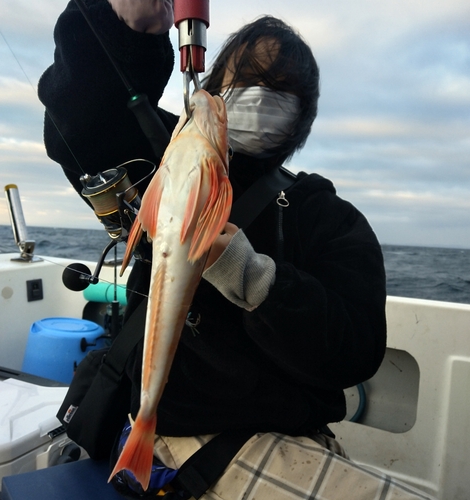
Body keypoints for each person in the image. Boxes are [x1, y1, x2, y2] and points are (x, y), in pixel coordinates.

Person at [38, 1, 435, 499]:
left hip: (289, 435)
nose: (263, 97)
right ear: (212, 90)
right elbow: (81, 122)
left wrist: (257, 281)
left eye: (283, 91)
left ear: (301, 118)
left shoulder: (328, 217)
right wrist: (125, 28)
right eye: (248, 79)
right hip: (178, 430)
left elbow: (355, 350)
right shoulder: (162, 158)